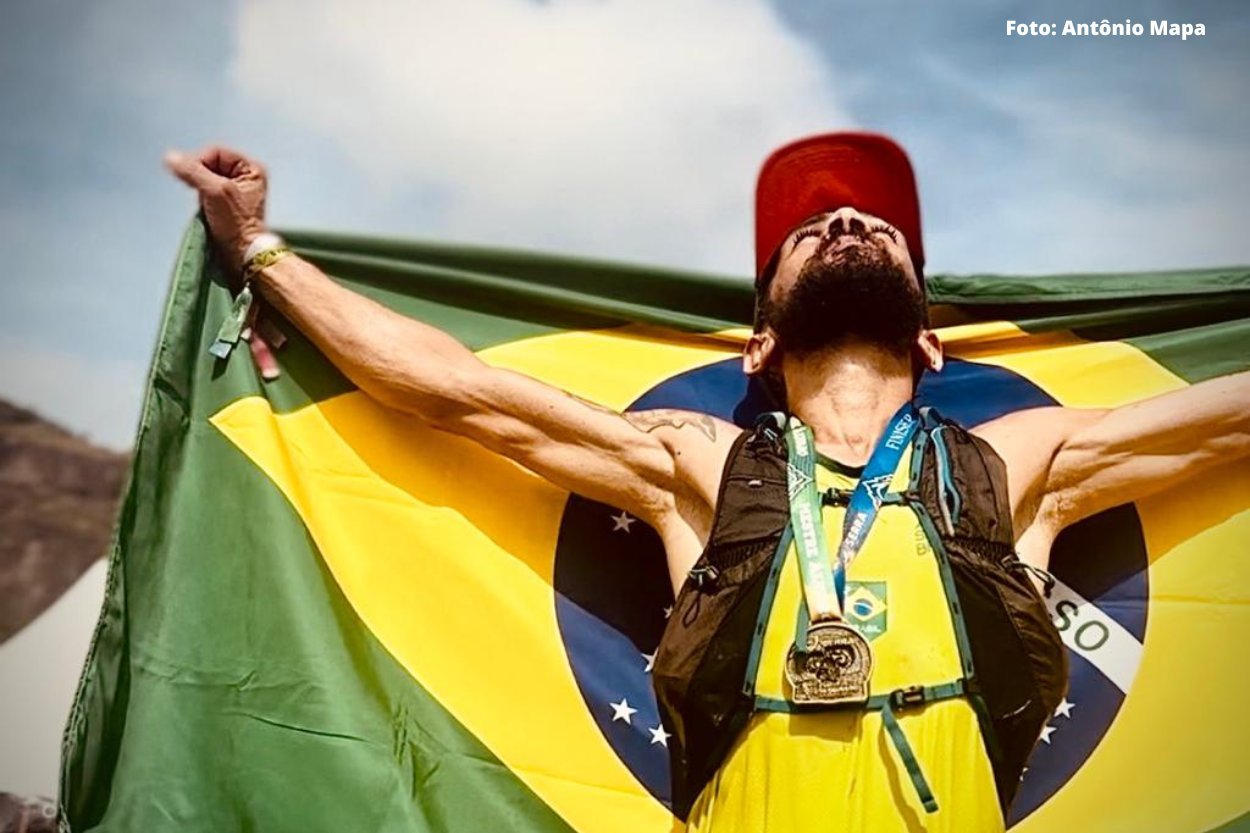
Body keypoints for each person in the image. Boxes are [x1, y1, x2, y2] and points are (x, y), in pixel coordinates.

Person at [165, 133, 1250, 833]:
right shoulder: (696, 461)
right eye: (811, 230)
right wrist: (259, 249)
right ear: (755, 343)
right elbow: (453, 392)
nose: (844, 224)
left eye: (872, 227)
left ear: (927, 340)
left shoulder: (1017, 461)